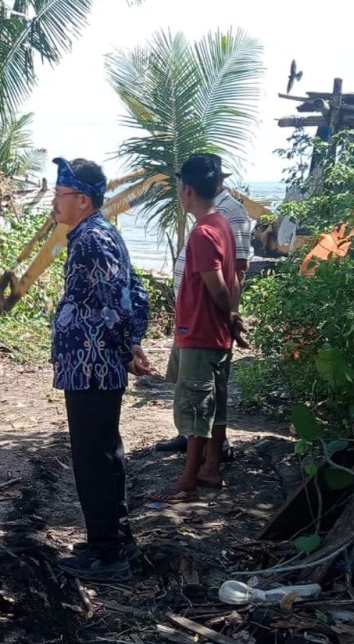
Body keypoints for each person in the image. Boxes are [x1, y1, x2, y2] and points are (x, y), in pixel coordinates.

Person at [49, 157, 152, 583]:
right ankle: (112, 540)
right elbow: (136, 292)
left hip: (93, 366)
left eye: (60, 195)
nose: (54, 202)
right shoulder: (97, 234)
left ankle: (107, 554)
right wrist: (131, 342)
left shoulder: (92, 240)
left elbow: (116, 303)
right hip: (92, 364)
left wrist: (127, 347)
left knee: (93, 459)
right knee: (105, 453)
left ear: (83, 200)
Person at [153, 154, 244, 503]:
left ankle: (187, 481)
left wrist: (229, 314)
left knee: (194, 408)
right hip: (216, 334)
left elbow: (217, 286)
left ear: (187, 189)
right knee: (215, 405)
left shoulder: (204, 232)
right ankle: (211, 468)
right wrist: (232, 317)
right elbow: (234, 279)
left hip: (201, 333)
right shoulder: (222, 224)